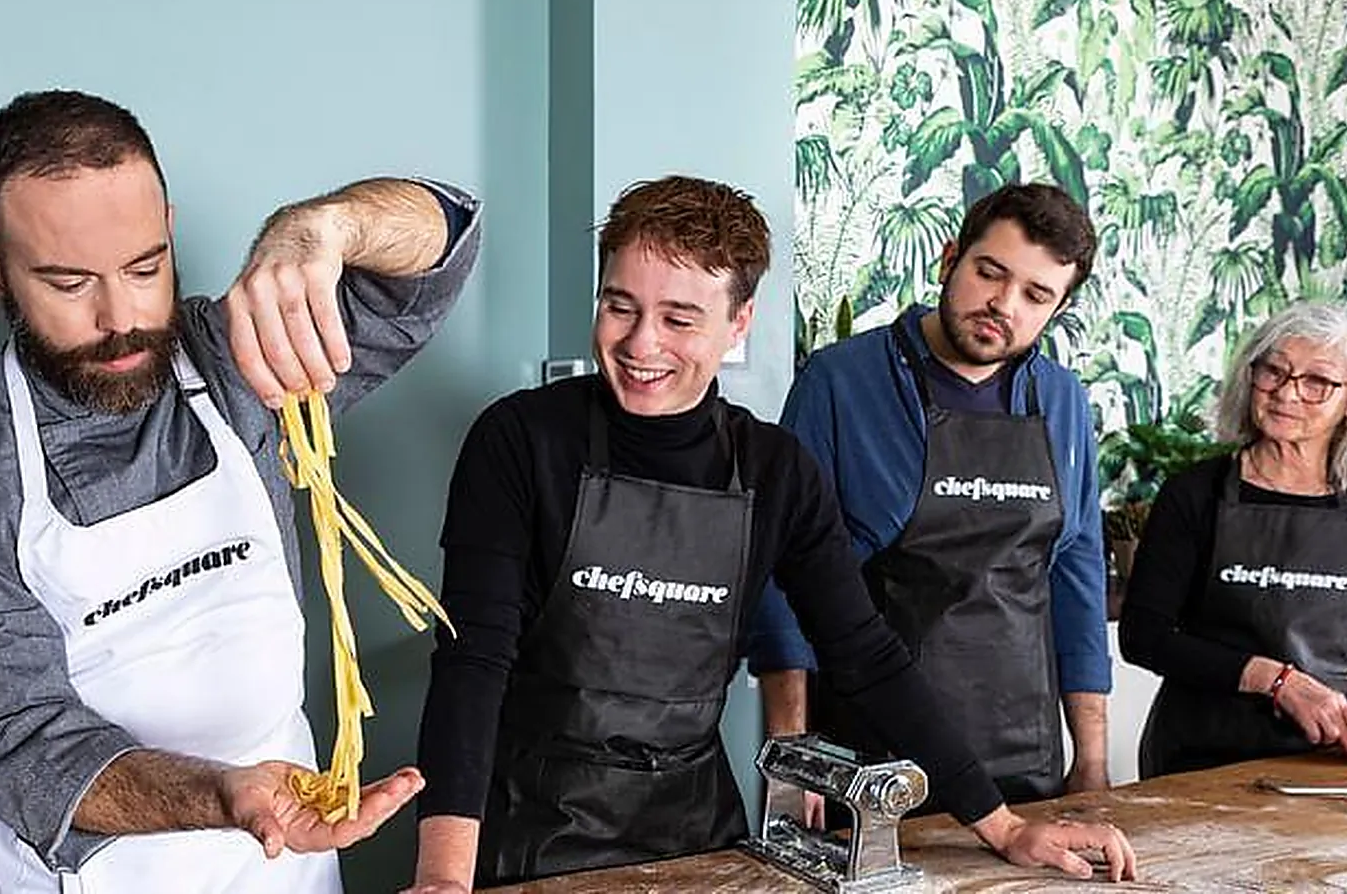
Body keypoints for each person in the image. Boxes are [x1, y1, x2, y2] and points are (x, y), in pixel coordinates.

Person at [405, 176, 1133, 892]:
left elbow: (865, 655)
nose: (640, 342)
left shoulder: (774, 470)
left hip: (697, 833)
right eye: (618, 306)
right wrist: (443, 876)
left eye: (680, 319)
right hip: (531, 829)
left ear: (740, 321)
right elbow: (473, 661)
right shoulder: (520, 439)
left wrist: (1002, 826)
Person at [0, 90, 480, 894]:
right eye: (68, 281)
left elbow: (438, 254)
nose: (120, 316)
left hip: (288, 865)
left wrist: (325, 227)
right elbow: (27, 746)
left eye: (145, 267)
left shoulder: (238, 361)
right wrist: (225, 793)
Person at [748, 183, 1112, 807]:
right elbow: (782, 575)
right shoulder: (840, 382)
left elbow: (1076, 573)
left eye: (1036, 295)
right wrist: (793, 752)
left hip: (1022, 749)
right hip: (869, 750)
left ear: (1056, 309)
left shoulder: (1062, 400)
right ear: (950, 259)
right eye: (989, 273)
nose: (1003, 304)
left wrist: (1094, 757)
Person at [1121, 301, 1347, 777]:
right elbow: (1143, 637)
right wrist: (1276, 680)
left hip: (1324, 764)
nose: (1287, 394)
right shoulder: (1195, 494)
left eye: (1317, 382)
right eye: (1275, 372)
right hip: (1199, 759)